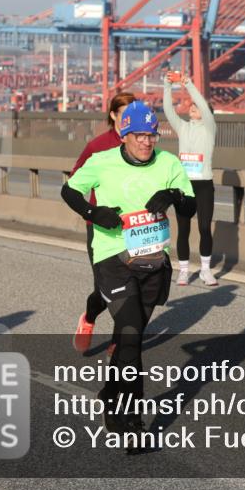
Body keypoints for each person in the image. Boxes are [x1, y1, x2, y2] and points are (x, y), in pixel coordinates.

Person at [61, 101, 194, 439]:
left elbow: (190, 206)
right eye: (139, 135)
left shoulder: (169, 163)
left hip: (153, 262)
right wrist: (94, 214)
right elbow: (69, 190)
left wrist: (173, 194)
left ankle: (110, 391)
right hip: (112, 259)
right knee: (131, 332)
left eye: (151, 135)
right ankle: (131, 418)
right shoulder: (101, 162)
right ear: (123, 135)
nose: (147, 142)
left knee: (126, 339)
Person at [71, 92, 137, 354]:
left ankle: (119, 336)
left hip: (134, 227)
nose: (130, 120)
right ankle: (88, 319)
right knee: (105, 286)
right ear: (113, 115)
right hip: (100, 228)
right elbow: (76, 181)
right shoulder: (98, 145)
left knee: (134, 284)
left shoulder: (142, 144)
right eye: (124, 115)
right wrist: (93, 211)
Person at [162, 72, 218, 287]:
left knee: (204, 227)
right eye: (191, 105)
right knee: (183, 228)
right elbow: (168, 111)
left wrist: (188, 84)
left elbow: (204, 106)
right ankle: (183, 270)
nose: (193, 107)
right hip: (184, 185)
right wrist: (167, 85)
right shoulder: (183, 127)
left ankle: (205, 270)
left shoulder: (210, 129)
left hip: (204, 183)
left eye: (197, 106)